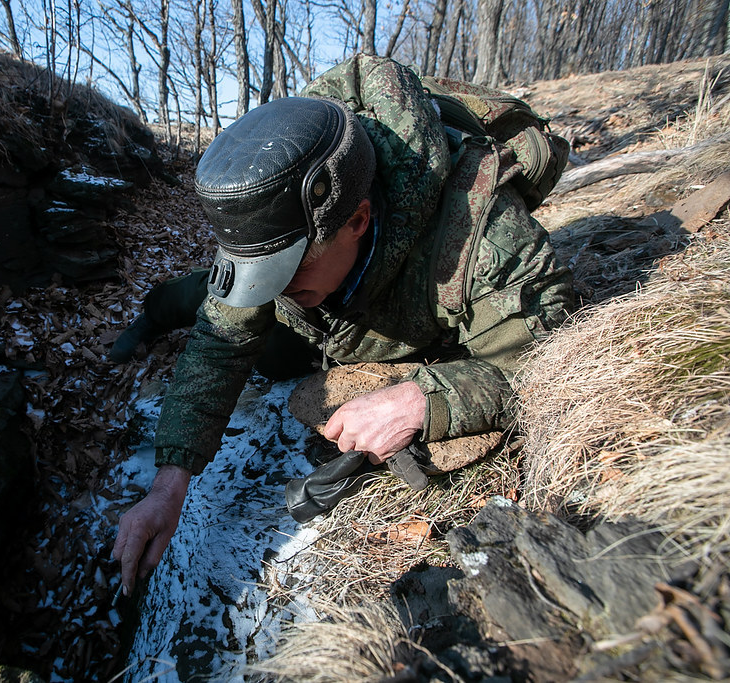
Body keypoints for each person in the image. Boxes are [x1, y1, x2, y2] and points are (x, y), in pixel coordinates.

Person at [111, 55, 573, 595]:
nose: (273, 288)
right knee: (210, 303)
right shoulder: (280, 229)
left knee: (276, 345)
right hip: (326, 316)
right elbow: (220, 342)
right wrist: (169, 484)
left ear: (357, 220)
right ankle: (153, 312)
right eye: (262, 271)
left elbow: (548, 356)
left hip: (397, 310)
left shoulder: (483, 234)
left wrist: (423, 399)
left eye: (289, 267)